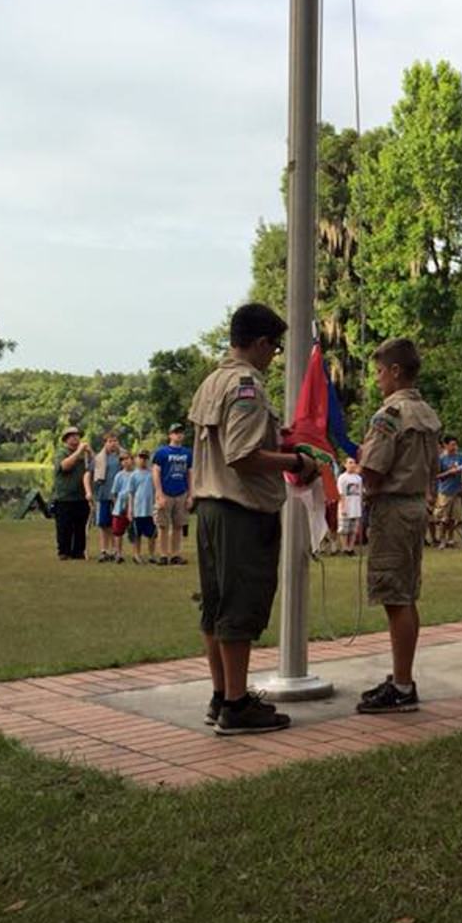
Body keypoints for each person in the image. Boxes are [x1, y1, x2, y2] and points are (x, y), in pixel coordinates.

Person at [188, 302, 313, 736]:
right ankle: (238, 706)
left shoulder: (211, 382)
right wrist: (295, 461)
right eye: (274, 348)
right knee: (238, 607)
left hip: (208, 507)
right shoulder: (245, 385)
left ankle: (222, 695)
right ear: (259, 343)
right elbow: (243, 455)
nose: (274, 356)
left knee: (216, 606)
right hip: (239, 510)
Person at [355, 337, 441, 715]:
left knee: (395, 597)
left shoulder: (389, 415)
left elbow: (373, 468)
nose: (376, 380)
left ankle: (403, 686)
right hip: (415, 505)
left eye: (378, 372)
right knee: (406, 594)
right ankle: (402, 677)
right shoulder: (426, 413)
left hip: (392, 507)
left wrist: (358, 464)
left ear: (394, 371)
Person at [151, 423, 193, 566]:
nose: (179, 435)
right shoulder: (162, 452)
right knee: (163, 526)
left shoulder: (187, 453)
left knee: (178, 525)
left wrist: (190, 495)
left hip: (181, 492)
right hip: (166, 493)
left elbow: (190, 474)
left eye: (181, 432)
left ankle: (175, 554)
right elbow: (155, 472)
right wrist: (159, 493)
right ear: (170, 435)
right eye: (175, 432)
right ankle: (163, 555)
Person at [50, 426, 91, 560]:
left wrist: (90, 453)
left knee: (80, 527)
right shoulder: (61, 452)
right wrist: (79, 451)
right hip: (64, 497)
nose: (75, 438)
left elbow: (95, 467)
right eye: (72, 436)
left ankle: (78, 551)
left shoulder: (84, 454)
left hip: (81, 496)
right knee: (64, 527)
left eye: (77, 435)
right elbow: (64, 466)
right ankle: (64, 552)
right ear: (66, 439)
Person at [90, 432, 123, 562]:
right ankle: (104, 550)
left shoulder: (121, 457)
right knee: (103, 524)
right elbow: (89, 473)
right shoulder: (99, 458)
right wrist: (90, 492)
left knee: (115, 524)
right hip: (102, 494)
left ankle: (116, 550)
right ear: (105, 443)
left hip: (117, 496)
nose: (113, 443)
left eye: (115, 441)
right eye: (110, 441)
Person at [434, 436, 462, 549]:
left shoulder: (461, 457)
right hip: (445, 491)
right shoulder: (441, 459)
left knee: (453, 518)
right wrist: (449, 472)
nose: (454, 447)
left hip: (457, 491)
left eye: (455, 444)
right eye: (452, 444)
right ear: (446, 445)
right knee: (443, 518)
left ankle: (450, 539)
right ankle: (441, 539)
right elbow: (436, 476)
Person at [128, 450, 158, 564]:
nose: (143, 460)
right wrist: (130, 509)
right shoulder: (134, 475)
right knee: (137, 534)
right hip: (138, 510)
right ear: (136, 459)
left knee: (152, 534)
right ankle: (137, 555)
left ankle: (151, 555)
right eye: (141, 457)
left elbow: (156, 490)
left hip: (150, 510)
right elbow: (131, 493)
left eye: (145, 458)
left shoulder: (152, 474)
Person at [108, 456, 134, 564]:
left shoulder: (136, 474)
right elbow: (114, 492)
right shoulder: (119, 475)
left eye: (128, 459)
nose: (126, 462)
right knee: (118, 531)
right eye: (123, 460)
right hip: (120, 507)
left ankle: (136, 553)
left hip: (133, 506)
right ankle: (118, 553)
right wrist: (117, 505)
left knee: (134, 531)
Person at [336, 458, 364, 556]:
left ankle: (351, 548)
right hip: (346, 505)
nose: (352, 465)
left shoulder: (358, 478)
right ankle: (344, 548)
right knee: (344, 529)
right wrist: (343, 506)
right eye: (350, 463)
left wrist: (360, 505)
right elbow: (341, 493)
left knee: (353, 529)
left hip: (355, 506)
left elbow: (360, 493)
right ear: (345, 465)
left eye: (354, 463)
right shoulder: (342, 478)